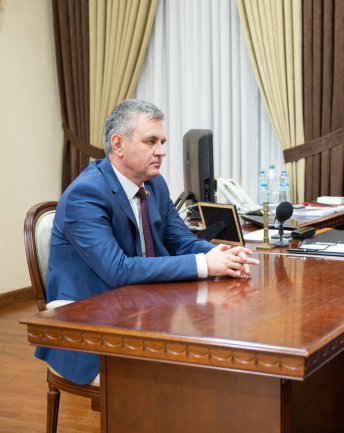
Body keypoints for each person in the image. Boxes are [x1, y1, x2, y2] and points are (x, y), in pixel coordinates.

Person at [35, 99, 259, 386]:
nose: (161, 151)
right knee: (189, 372)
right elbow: (117, 270)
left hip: (144, 309)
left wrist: (223, 255)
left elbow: (181, 241)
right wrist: (205, 264)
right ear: (118, 144)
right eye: (151, 141)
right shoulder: (86, 194)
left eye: (162, 142)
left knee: (214, 354)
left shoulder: (154, 184)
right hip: (90, 324)